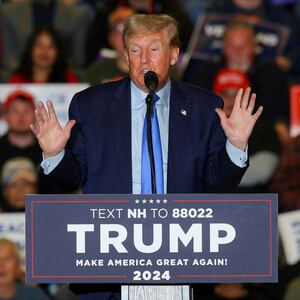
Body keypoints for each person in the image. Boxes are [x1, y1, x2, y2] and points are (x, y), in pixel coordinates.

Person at [30, 14, 262, 299]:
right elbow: (72, 179)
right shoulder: (90, 105)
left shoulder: (204, 106)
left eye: (154, 49)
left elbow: (219, 180)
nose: (144, 60)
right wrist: (54, 154)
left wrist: (236, 145)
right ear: (125, 55)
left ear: (174, 54)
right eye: (135, 50)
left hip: (181, 263)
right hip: (111, 266)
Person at [184, 21, 289, 126]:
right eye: (232, 46)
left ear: (255, 46)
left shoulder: (270, 73)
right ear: (223, 47)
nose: (238, 52)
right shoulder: (207, 72)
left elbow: (278, 114)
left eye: (244, 46)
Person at [79, 6, 135, 85]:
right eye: (118, 29)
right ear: (110, 37)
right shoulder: (95, 73)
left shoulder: (152, 70)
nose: (124, 35)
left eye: (130, 29)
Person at [8, 26, 79, 83]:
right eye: (39, 45)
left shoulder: (69, 79)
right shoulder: (17, 79)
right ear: (30, 49)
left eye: (51, 46)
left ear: (58, 52)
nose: (44, 51)